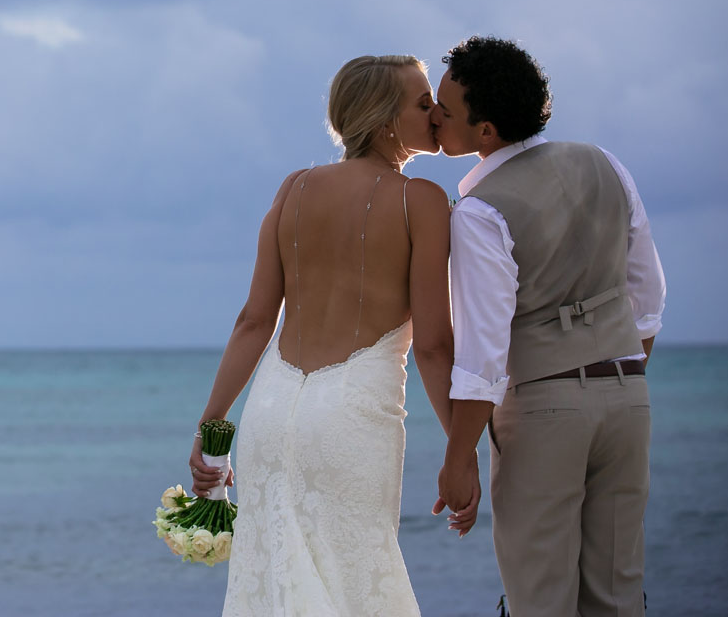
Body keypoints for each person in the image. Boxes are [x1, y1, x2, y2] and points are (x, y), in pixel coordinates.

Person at [188, 55, 474, 616]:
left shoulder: (294, 188)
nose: (437, 113)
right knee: (357, 579)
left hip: (268, 414)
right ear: (385, 118)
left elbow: (253, 320)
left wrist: (213, 428)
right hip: (350, 419)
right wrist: (462, 451)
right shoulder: (422, 200)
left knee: (275, 583)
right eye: (422, 104)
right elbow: (436, 347)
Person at [430, 36, 666, 617]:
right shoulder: (604, 163)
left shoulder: (482, 211)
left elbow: (483, 354)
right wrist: (611, 376)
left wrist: (458, 459)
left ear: (485, 133)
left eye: (445, 111)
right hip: (629, 396)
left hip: (543, 410)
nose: (433, 117)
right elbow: (649, 297)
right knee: (618, 596)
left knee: (541, 600)